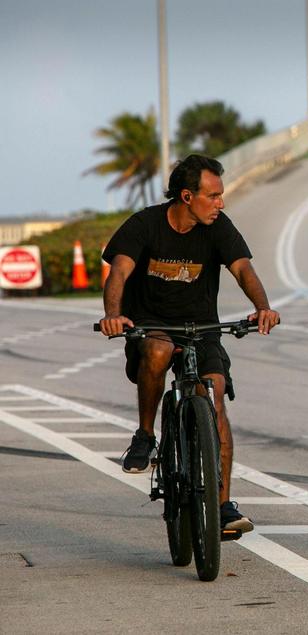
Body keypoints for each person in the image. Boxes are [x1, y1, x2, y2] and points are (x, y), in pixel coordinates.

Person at [98, 154, 281, 533]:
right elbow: (119, 271)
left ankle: (223, 505)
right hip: (150, 326)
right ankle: (146, 435)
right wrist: (114, 314)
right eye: (213, 196)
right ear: (186, 196)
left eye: (221, 195)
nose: (221, 204)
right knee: (159, 350)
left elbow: (242, 268)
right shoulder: (145, 225)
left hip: (201, 327)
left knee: (214, 395)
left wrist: (262, 307)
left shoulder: (217, 227)